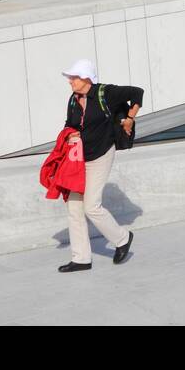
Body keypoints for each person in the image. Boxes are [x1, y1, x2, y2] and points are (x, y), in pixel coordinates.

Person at [57, 58, 141, 272]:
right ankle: (81, 258)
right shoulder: (74, 100)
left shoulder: (106, 93)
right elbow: (70, 124)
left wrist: (130, 118)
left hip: (101, 154)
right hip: (80, 158)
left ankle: (122, 239)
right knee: (74, 206)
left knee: (91, 206)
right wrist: (70, 135)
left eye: (74, 77)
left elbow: (137, 92)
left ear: (85, 77)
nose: (70, 81)